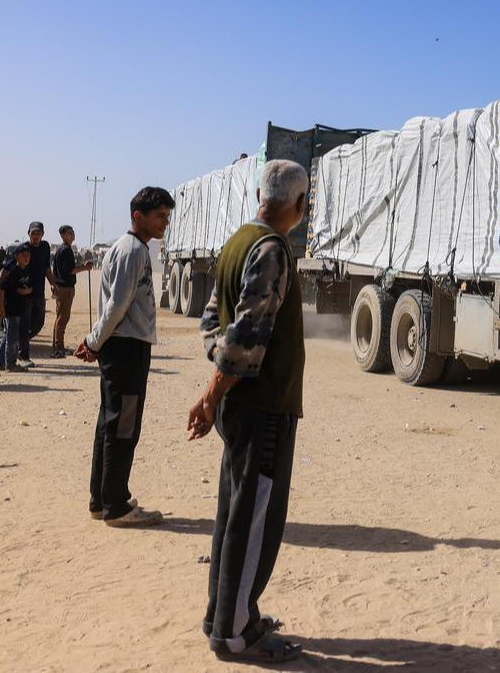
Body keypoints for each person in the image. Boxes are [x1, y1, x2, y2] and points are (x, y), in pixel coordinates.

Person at [188, 160, 308, 664]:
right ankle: (233, 632)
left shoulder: (239, 241)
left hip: (243, 403)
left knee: (233, 512)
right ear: (299, 205)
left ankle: (225, 612)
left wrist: (215, 389)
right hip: (260, 406)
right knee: (252, 517)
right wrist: (214, 391)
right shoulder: (269, 249)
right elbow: (245, 335)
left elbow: (211, 322)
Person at [76, 187, 175, 527]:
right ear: (138, 216)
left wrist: (95, 342)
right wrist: (93, 341)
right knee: (122, 427)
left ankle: (100, 499)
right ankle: (116, 506)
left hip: (122, 346)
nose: (164, 222)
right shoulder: (133, 250)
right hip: (127, 348)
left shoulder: (127, 248)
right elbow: (116, 305)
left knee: (110, 423)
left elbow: (113, 305)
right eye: (159, 215)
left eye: (166, 216)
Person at [50, 225, 94, 358]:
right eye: (69, 233)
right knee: (63, 318)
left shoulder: (61, 250)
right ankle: (58, 348)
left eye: (73, 232)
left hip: (61, 287)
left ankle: (58, 345)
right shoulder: (66, 250)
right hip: (65, 288)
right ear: (63, 235)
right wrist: (85, 268)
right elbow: (70, 270)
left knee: (60, 317)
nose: (72, 235)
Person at [21, 222, 56, 367]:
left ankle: (20, 340)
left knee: (38, 323)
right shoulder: (23, 248)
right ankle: (24, 356)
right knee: (26, 323)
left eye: (38, 233)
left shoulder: (45, 247)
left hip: (39, 292)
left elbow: (47, 268)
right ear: (28, 233)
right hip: (25, 293)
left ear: (42, 234)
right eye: (33, 233)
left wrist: (53, 284)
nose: (36, 236)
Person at [0, 244, 33, 372]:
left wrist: (28, 291)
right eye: (23, 255)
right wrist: (0, 307)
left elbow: (25, 287)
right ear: (16, 257)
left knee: (7, 336)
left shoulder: (26, 270)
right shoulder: (14, 272)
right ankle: (10, 364)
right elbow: (2, 288)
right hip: (11, 309)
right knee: (12, 339)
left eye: (28, 255)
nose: (26, 258)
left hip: (18, 308)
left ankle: (0, 362)